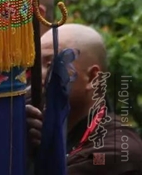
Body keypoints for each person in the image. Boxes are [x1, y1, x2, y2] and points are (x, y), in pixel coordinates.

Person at [26, 23, 142, 174]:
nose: (38, 76)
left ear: (92, 78)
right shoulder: (45, 130)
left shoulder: (117, 151)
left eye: (51, 65)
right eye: (35, 67)